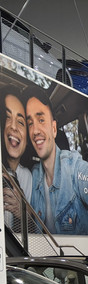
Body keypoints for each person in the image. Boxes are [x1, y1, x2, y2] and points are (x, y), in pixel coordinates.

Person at [25, 86, 88, 235]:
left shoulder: (72, 167)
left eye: (41, 120)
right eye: (30, 123)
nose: (35, 131)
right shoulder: (33, 176)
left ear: (54, 129)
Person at [2, 87, 32, 226]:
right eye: (7, 117)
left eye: (20, 122)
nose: (13, 126)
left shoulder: (27, 177)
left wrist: (23, 213)